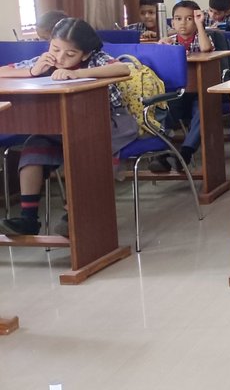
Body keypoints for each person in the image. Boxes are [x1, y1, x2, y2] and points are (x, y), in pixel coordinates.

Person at [0, 19, 135, 235]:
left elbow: (123, 68)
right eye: (55, 49)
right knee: (34, 145)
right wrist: (33, 71)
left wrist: (77, 74)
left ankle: (76, 214)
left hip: (109, 122)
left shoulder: (96, 59)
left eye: (70, 54)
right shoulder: (48, 60)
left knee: (85, 148)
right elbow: (3, 71)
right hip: (65, 125)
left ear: (85, 54)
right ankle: (28, 219)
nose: (61, 58)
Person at [148, 0, 214, 172]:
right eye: (178, 19)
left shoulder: (203, 38)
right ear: (172, 22)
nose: (183, 23)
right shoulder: (168, 42)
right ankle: (163, 153)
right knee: (160, 109)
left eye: (189, 19)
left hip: (199, 93)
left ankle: (185, 153)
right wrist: (161, 48)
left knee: (203, 110)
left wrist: (201, 25)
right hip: (176, 94)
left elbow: (206, 49)